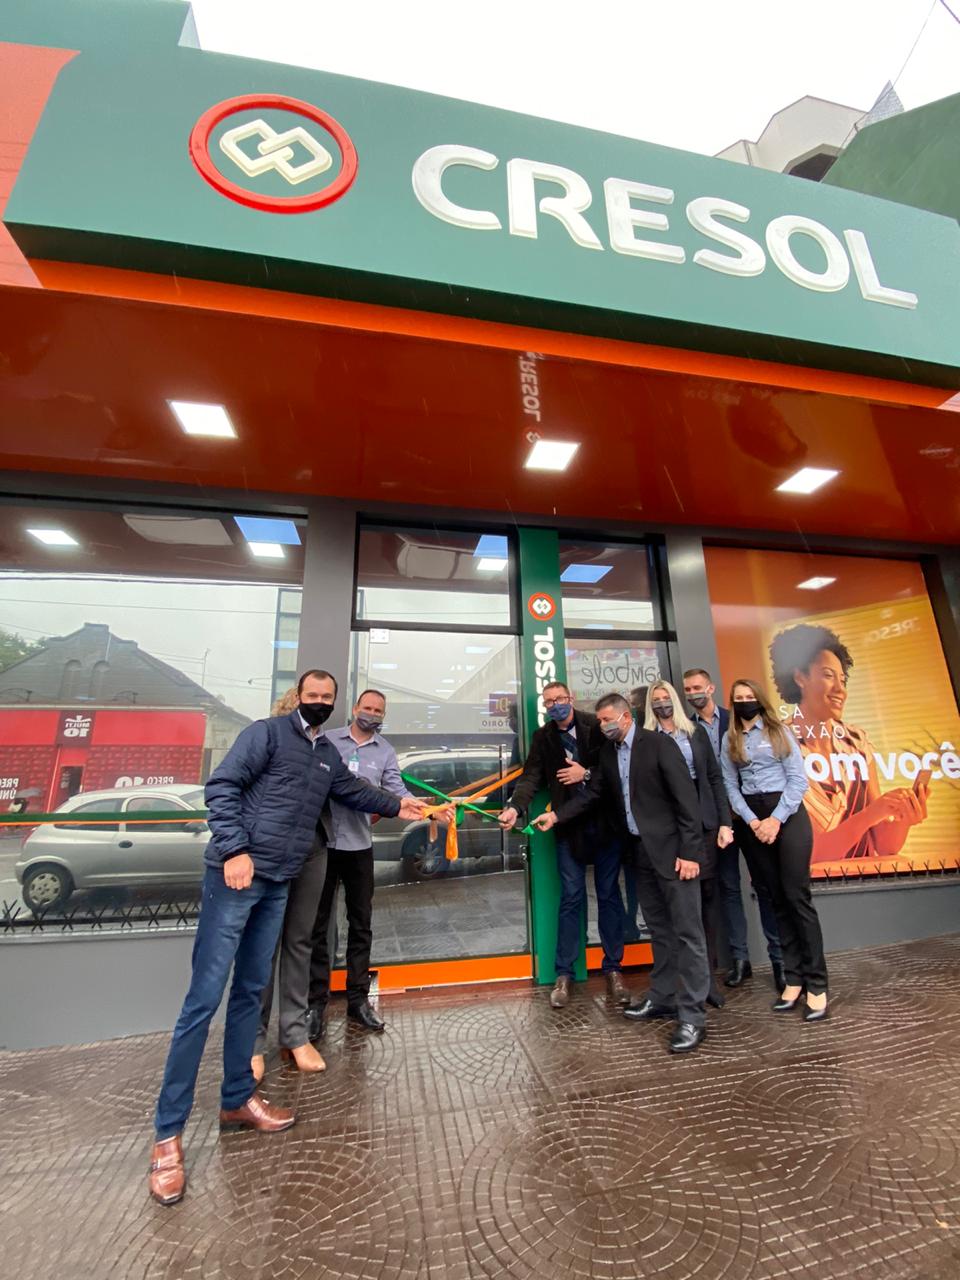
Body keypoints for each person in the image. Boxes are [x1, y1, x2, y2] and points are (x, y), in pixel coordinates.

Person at [148, 669, 426, 1207]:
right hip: (237, 875)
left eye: (327, 697)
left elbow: (353, 790)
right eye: (312, 695)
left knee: (252, 988)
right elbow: (222, 787)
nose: (319, 702)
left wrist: (401, 805)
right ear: (299, 697)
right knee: (203, 1000)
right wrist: (234, 849)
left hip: (279, 879)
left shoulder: (326, 755)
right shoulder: (266, 734)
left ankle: (237, 1099)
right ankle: (167, 1137)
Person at [534, 693, 709, 1055]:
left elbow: (687, 801)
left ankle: (693, 1015)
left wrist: (691, 853)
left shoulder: (658, 745)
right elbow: (593, 794)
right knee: (659, 930)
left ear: (626, 718)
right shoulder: (610, 755)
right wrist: (556, 816)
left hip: (674, 855)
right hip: (640, 853)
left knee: (688, 934)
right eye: (599, 720)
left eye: (606, 720)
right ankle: (662, 997)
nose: (601, 726)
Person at [498, 680, 630, 1009]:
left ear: (571, 698)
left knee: (609, 896)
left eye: (560, 698)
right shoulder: (543, 737)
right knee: (571, 898)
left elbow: (611, 769)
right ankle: (564, 974)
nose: (555, 705)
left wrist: (585, 774)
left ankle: (614, 969)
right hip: (568, 830)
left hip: (604, 827)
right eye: (549, 701)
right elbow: (531, 777)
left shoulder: (596, 726)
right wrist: (515, 807)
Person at [306, 688, 415, 1038]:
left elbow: (396, 790)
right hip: (323, 845)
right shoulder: (328, 740)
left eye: (378, 711)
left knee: (361, 924)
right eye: (367, 707)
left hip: (358, 846)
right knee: (318, 926)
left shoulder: (385, 751)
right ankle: (315, 1004)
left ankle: (358, 1000)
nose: (371, 714)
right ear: (355, 708)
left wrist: (423, 808)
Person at [769, 624, 928, 863]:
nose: (840, 690)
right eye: (828, 676)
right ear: (800, 677)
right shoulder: (776, 746)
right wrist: (871, 813)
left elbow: (885, 846)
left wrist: (904, 818)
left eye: (842, 680)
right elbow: (810, 853)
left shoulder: (857, 741)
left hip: (867, 878)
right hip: (813, 882)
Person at [720, 679, 829, 1023]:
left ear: (760, 700)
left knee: (797, 897)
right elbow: (729, 786)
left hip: (787, 815)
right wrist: (753, 821)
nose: (744, 702)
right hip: (752, 820)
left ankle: (817, 984)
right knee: (775, 899)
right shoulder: (730, 738)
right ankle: (793, 979)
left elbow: (798, 780)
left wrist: (775, 820)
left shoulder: (779, 731)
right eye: (739, 698)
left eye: (749, 697)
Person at [683, 668, 783, 992]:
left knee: (764, 885)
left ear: (711, 687)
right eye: (688, 689)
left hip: (750, 814)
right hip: (715, 822)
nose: (693, 693)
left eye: (698, 687)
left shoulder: (736, 719)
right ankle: (741, 959)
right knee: (728, 887)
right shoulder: (686, 728)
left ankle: (779, 959)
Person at [645, 680, 734, 1009]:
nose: (662, 703)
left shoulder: (694, 734)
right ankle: (680, 984)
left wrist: (724, 821)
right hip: (668, 831)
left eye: (666, 697)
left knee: (706, 905)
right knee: (679, 910)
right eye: (656, 699)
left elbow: (714, 778)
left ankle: (706, 980)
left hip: (703, 825)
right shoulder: (647, 739)